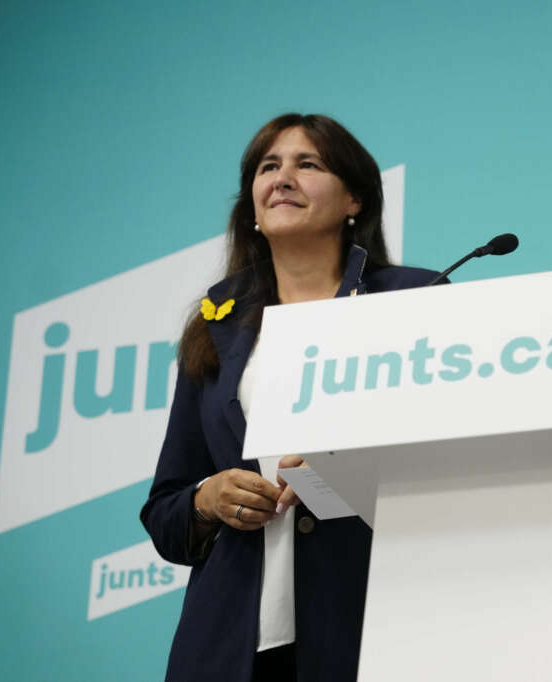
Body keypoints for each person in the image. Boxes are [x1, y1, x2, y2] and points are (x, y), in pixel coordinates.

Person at [140, 113, 439, 682]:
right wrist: (208, 499)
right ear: (252, 206)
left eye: (308, 164)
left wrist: (350, 468)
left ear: (354, 199)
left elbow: (452, 467)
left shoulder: (415, 299)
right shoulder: (215, 325)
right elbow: (164, 508)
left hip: (370, 628)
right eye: (268, 167)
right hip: (230, 647)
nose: (282, 178)